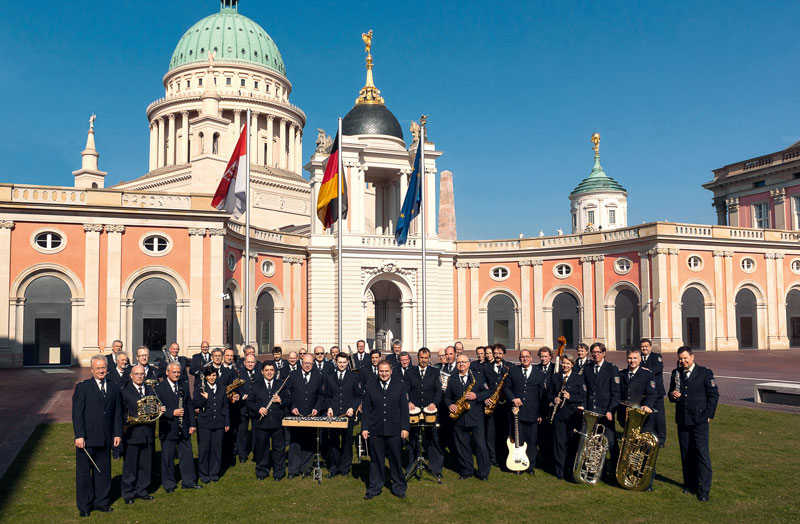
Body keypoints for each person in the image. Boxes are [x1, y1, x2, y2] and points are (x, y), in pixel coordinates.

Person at [72, 355, 123, 517]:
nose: (101, 370)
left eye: (103, 367)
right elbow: (77, 414)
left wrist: (117, 434)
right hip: (86, 440)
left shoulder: (114, 387)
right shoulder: (83, 388)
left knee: (103, 471)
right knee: (84, 475)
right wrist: (79, 435)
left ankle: (101, 502)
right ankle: (85, 506)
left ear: (107, 369)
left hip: (106, 438)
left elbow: (117, 414)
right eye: (98, 368)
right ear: (92, 370)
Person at [668, 347, 719, 502]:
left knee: (702, 454)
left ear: (692, 356)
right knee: (686, 453)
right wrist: (673, 395)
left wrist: (709, 415)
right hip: (683, 419)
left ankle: (704, 489)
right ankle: (690, 484)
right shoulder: (676, 373)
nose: (683, 361)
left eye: (685, 358)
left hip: (699, 421)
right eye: (680, 359)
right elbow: (671, 394)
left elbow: (713, 395)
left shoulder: (704, 373)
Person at [361, 360, 410, 499]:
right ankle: (374, 488)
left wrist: (405, 427)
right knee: (376, 461)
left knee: (395, 460)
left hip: (394, 429)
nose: (383, 374)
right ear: (377, 371)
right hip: (375, 429)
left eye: (386, 371)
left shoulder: (400, 386)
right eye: (381, 371)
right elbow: (367, 410)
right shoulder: (370, 386)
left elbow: (404, 409)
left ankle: (399, 487)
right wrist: (364, 427)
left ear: (391, 371)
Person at [155, 362, 202, 492]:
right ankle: (169, 484)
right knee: (168, 458)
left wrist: (192, 424)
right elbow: (157, 409)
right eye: (174, 372)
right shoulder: (159, 388)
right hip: (168, 427)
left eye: (178, 372)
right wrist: (172, 412)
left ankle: (189, 481)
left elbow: (189, 406)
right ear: (167, 372)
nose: (176, 374)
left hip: (184, 427)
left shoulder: (184, 386)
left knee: (187, 455)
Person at [445, 355, 492, 480]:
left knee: (480, 445)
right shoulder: (453, 378)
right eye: (459, 362)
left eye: (464, 362)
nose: (461, 364)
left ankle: (483, 473)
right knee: (462, 446)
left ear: (469, 363)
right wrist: (450, 405)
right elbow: (447, 397)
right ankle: (466, 470)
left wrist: (477, 396)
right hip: (459, 418)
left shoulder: (478, 376)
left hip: (476, 417)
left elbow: (488, 392)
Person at [503, 349, 547, 475]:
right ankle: (518, 465)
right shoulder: (513, 371)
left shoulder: (539, 373)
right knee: (518, 440)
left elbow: (541, 396)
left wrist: (540, 414)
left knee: (532, 441)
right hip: (517, 413)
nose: (525, 359)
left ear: (531, 358)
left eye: (527, 357)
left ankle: (530, 466)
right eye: (522, 357)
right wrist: (513, 398)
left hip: (533, 413)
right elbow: (506, 387)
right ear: (519, 358)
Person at [120, 365, 158, 504]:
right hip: (132, 434)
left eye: (142, 374)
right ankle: (128, 493)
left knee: (145, 465)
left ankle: (142, 490)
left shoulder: (149, 390)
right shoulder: (124, 392)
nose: (140, 376)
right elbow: (121, 412)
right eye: (137, 374)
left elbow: (153, 409)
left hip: (147, 433)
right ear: (131, 376)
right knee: (130, 466)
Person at [285, 353, 325, 478]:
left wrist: (317, 409)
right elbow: (287, 393)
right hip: (296, 414)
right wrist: (292, 407)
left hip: (312, 415)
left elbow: (322, 395)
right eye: (305, 363)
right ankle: (293, 470)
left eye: (310, 363)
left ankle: (305, 468)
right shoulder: (293, 375)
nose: (307, 365)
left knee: (309, 441)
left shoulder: (319, 376)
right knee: (295, 442)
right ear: (301, 363)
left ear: (313, 364)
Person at [583, 342, 620, 476]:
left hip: (605, 413)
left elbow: (615, 394)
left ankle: (616, 471)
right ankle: (597, 470)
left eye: (598, 352)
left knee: (610, 443)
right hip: (591, 411)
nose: (595, 355)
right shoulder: (588, 368)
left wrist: (610, 410)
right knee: (593, 444)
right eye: (593, 352)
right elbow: (585, 390)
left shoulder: (611, 368)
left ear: (604, 353)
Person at [323, 353, 362, 477]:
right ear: (335, 362)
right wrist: (329, 407)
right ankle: (334, 467)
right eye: (340, 362)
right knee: (333, 441)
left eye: (344, 362)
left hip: (347, 415)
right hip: (334, 415)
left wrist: (353, 408)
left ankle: (345, 468)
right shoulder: (329, 377)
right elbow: (327, 396)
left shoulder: (354, 377)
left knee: (346, 442)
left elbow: (358, 396)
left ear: (347, 363)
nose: (342, 365)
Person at [406, 347, 443, 478]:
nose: (423, 360)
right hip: (413, 411)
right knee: (413, 439)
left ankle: (436, 468)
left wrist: (434, 403)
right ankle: (412, 466)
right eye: (421, 358)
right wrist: (409, 402)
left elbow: (438, 390)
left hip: (430, 411)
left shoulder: (434, 372)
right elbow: (406, 390)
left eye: (426, 358)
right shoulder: (410, 372)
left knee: (433, 439)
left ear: (429, 359)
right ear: (418, 358)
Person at [548, 355, 586, 481]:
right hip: (558, 416)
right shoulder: (555, 377)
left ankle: (569, 469)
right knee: (559, 443)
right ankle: (559, 471)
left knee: (571, 443)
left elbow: (583, 396)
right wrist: (554, 398)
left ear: (572, 365)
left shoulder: (578, 378)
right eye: (563, 363)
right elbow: (548, 394)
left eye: (567, 363)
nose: (565, 366)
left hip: (572, 415)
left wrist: (571, 397)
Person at [249, 361, 288, 481]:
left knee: (278, 450)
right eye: (267, 370)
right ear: (262, 372)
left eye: (271, 370)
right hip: (261, 424)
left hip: (277, 423)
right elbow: (249, 402)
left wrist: (281, 400)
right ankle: (262, 472)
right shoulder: (255, 385)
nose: (269, 372)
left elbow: (289, 400)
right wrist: (258, 409)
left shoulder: (280, 384)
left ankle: (279, 472)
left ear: (274, 372)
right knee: (262, 450)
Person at [193, 367, 230, 483]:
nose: (212, 378)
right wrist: (203, 399)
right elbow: (195, 405)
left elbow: (225, 406)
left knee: (216, 449)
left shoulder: (222, 388)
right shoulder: (200, 388)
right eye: (209, 376)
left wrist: (227, 422)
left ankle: (214, 473)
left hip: (219, 423)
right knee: (204, 449)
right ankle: (204, 474)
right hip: (205, 423)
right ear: (205, 377)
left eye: (214, 375)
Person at [484, 343, 512, 467]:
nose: (497, 356)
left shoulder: (509, 367)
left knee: (504, 431)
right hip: (491, 403)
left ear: (504, 354)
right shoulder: (486, 367)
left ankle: (504, 455)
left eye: (500, 353)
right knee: (490, 432)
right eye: (495, 353)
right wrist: (486, 397)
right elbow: (482, 384)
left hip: (505, 404)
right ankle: (491, 457)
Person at [640, 338, 667, 447]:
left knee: (659, 418)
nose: (644, 348)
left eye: (646, 346)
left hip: (657, 392)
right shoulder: (639, 358)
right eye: (642, 346)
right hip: (645, 394)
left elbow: (658, 367)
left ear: (650, 347)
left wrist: (645, 371)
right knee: (647, 417)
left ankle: (661, 439)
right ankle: (647, 437)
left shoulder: (657, 357)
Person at [234, 354, 258, 463]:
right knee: (242, 432)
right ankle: (242, 455)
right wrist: (241, 395)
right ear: (244, 363)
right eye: (248, 362)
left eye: (252, 362)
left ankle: (256, 453)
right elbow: (236, 389)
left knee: (256, 431)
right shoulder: (239, 374)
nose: (250, 364)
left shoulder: (259, 374)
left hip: (255, 407)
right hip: (243, 407)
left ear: (255, 363)